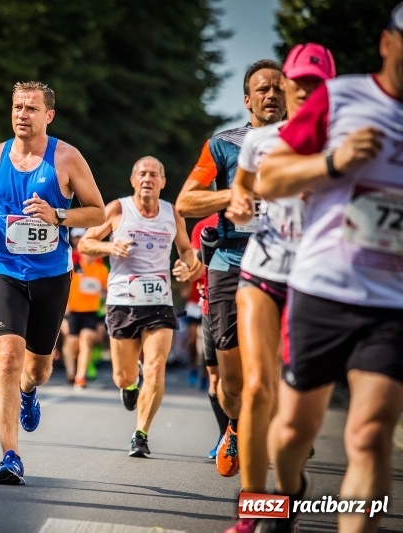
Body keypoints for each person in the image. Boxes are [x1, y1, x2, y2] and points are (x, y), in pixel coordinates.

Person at [254, 6, 403, 530]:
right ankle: (286, 497)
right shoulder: (342, 99)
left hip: (392, 304)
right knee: (294, 430)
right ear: (387, 44)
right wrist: (334, 162)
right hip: (321, 288)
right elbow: (269, 178)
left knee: (370, 433)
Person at [222, 43, 337, 533]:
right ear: (288, 86)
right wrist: (241, 206)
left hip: (317, 283)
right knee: (255, 390)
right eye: (298, 83)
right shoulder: (259, 142)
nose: (304, 92)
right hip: (262, 270)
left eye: (316, 85)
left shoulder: (348, 143)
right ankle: (252, 512)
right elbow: (242, 191)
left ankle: (288, 497)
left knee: (293, 416)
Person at [0, 81, 105, 485]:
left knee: (38, 368)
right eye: (16, 107)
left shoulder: (66, 158)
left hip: (51, 276)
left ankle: (29, 391)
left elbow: (96, 212)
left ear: (49, 115)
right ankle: (9, 455)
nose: (22, 115)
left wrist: (58, 216)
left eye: (31, 108)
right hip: (4, 271)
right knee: (7, 356)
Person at [175, 59, 286, 478]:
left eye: (278, 88)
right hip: (230, 264)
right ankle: (236, 427)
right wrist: (233, 196)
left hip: (283, 265)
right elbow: (185, 202)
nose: (271, 94)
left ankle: (271, 447)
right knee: (232, 382)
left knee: (271, 367)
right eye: (262, 89)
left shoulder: (305, 143)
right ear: (247, 99)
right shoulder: (223, 145)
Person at [79, 156, 202, 457]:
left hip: (159, 302)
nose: (147, 178)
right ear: (133, 181)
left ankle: (140, 433)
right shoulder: (118, 209)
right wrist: (110, 247)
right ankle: (129, 385)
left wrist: (188, 268)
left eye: (154, 174)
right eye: (142, 174)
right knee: (124, 376)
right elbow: (84, 244)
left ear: (163, 181)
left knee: (156, 366)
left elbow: (187, 250)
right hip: (122, 301)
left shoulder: (172, 214)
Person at [189, 213, 229, 459]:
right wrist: (187, 269)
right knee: (215, 378)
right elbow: (195, 269)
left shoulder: (262, 215)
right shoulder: (204, 224)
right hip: (210, 308)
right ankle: (225, 435)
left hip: (249, 305)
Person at [63, 228, 108, 391]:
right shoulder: (73, 266)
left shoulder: (101, 270)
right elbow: (63, 287)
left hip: (91, 311)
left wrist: (103, 306)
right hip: (72, 311)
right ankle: (71, 371)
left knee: (87, 339)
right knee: (72, 342)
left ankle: (80, 377)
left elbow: (106, 291)